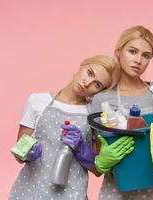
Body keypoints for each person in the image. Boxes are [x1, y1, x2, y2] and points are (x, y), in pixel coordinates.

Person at [8, 55, 134, 200]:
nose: (87, 83)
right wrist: (28, 154)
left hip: (72, 194)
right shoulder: (37, 101)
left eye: (97, 84)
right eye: (90, 72)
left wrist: (82, 149)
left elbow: (97, 169)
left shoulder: (94, 116)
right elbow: (18, 151)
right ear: (81, 66)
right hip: (30, 191)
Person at [90, 26, 153, 200]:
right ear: (118, 52)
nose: (138, 60)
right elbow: (99, 151)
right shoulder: (101, 99)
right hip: (121, 190)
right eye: (132, 51)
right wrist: (102, 159)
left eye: (146, 55)